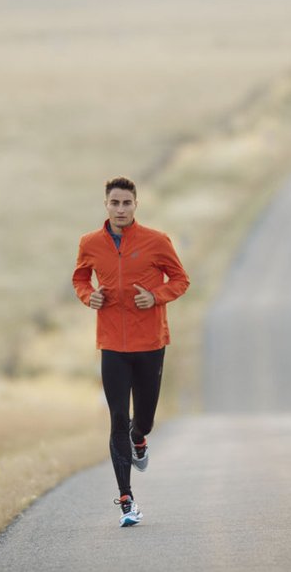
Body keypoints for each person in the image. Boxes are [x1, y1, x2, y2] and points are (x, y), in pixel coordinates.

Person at [72, 176, 190, 527]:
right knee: (117, 419)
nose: (120, 209)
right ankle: (126, 501)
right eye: (114, 203)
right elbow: (81, 279)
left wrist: (155, 297)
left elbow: (181, 280)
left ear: (135, 205)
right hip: (112, 345)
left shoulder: (156, 241)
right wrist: (87, 296)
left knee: (144, 420)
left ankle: (140, 438)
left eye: (126, 203)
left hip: (150, 343)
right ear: (105, 205)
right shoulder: (89, 243)